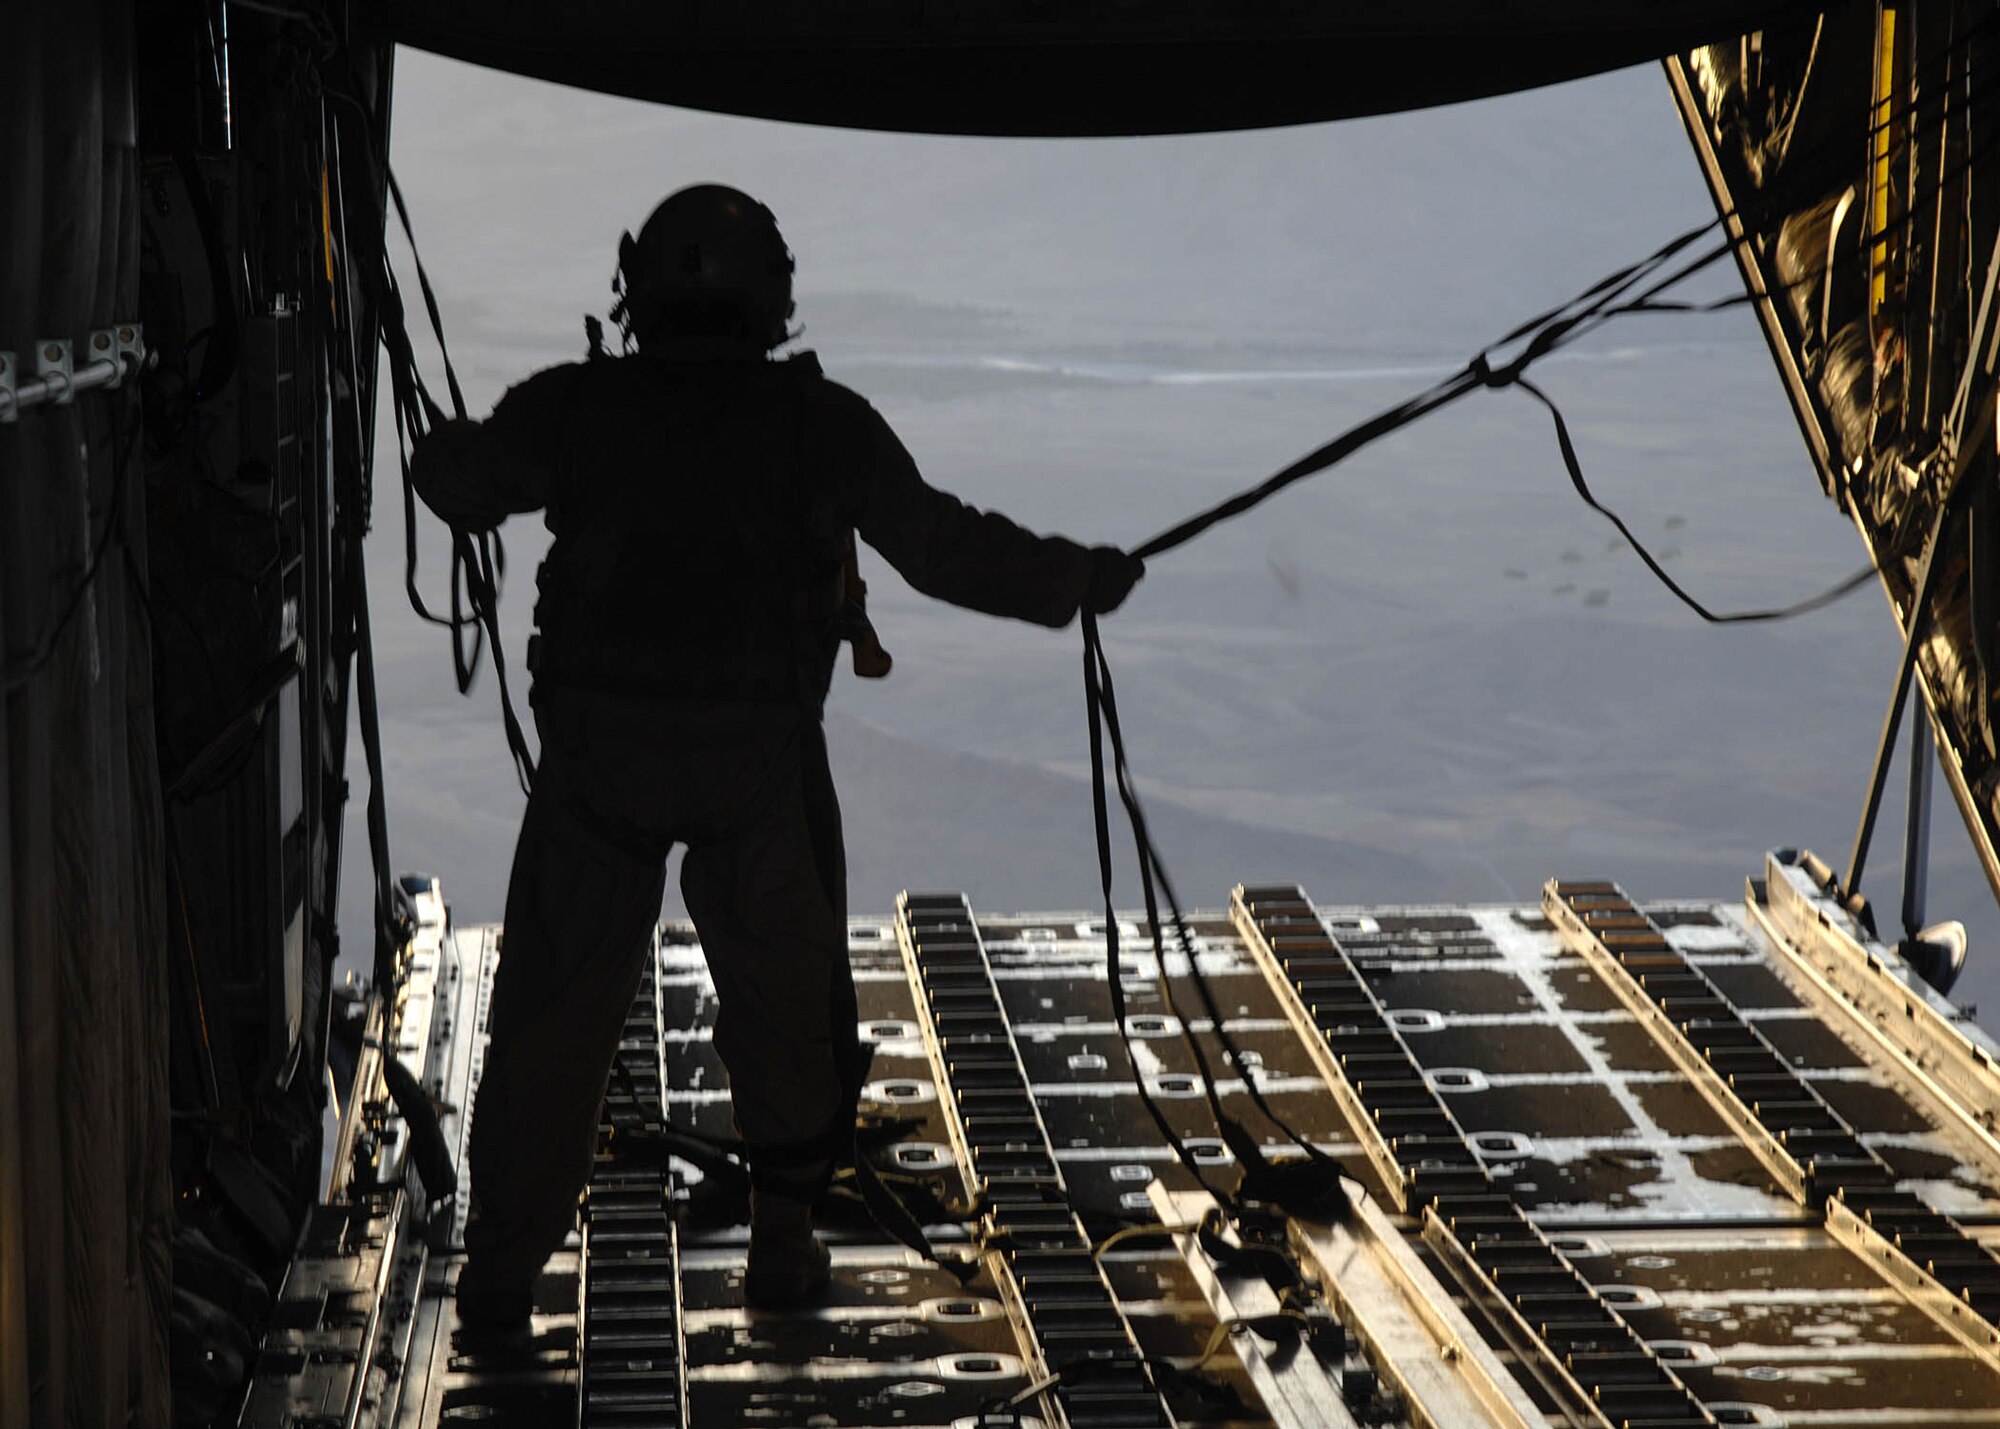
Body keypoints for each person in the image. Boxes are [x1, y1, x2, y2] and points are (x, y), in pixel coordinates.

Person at [410, 184, 1143, 1334]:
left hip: (598, 761)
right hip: (755, 762)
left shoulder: (575, 409)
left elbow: (458, 485)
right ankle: (784, 1246)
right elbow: (941, 546)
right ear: (773, 300)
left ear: (636, 292)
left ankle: (502, 1274)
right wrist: (1077, 578)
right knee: (790, 1000)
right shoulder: (820, 425)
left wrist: (439, 445)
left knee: (553, 1012)